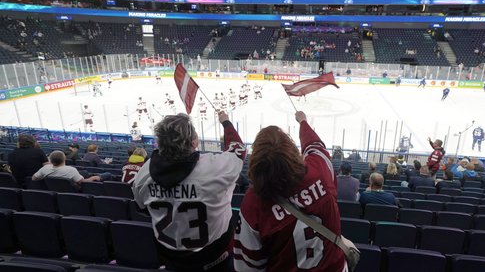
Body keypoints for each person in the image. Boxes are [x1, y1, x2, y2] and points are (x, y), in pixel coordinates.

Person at [133, 111, 246, 271]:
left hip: (171, 260)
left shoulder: (143, 173)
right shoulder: (215, 167)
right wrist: (226, 122)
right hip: (215, 260)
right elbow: (239, 150)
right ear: (194, 143)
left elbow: (142, 208)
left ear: (159, 143)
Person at [234, 111, 346, 271]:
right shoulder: (318, 170)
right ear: (293, 151)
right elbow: (315, 146)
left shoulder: (253, 203)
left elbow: (248, 265)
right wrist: (303, 123)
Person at [32, 150, 101, 184]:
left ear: (51, 160)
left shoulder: (45, 168)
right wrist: (93, 178)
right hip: (72, 189)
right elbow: (82, 182)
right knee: (106, 175)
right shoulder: (71, 170)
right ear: (64, 158)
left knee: (84, 172)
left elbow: (34, 178)